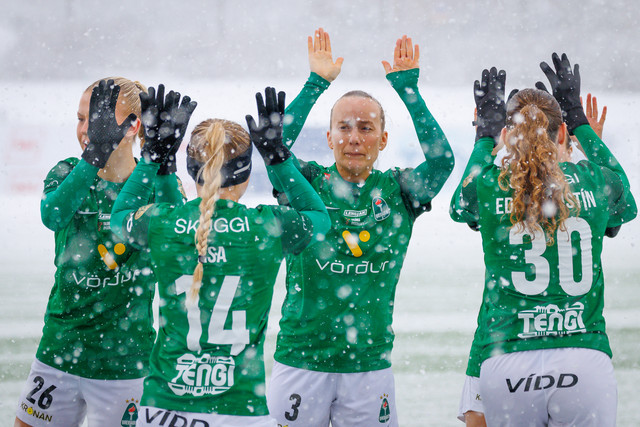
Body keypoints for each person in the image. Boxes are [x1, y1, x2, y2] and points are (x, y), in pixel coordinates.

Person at [110, 87, 330, 427]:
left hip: (164, 409)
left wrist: (154, 158)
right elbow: (319, 219)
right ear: (246, 174)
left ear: (192, 169)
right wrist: (278, 158)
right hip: (239, 410)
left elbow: (120, 218)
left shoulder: (162, 223)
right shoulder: (267, 226)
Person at [266, 29, 455, 427]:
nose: (354, 138)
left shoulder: (399, 192)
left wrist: (409, 92)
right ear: (330, 137)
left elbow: (442, 162)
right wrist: (316, 84)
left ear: (383, 140)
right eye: (345, 127)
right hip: (301, 360)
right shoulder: (308, 185)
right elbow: (273, 149)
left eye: (366, 128)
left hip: (369, 366)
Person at [450, 54, 637, 426]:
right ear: (562, 135)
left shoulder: (492, 185)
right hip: (583, 356)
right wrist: (581, 123)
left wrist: (484, 137)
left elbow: (460, 205)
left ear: (507, 136)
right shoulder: (592, 179)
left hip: (509, 358)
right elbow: (626, 203)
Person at [14, 78, 191, 427]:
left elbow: (181, 236)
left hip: (125, 362)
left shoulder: (155, 185)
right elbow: (53, 216)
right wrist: (94, 155)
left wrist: (164, 164)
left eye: (96, 119)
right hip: (60, 350)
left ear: (133, 126)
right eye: (81, 119)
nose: (85, 129)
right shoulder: (67, 171)